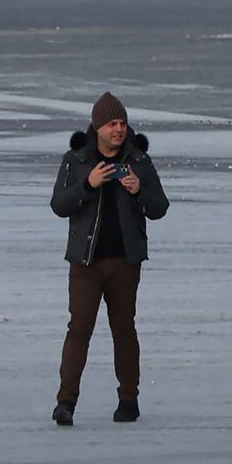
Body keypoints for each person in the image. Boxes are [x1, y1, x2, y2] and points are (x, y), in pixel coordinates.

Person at [50, 92, 169, 426]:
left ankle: (128, 398)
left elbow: (159, 207)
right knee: (79, 329)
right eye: (111, 124)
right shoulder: (76, 160)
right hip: (85, 262)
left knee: (124, 329)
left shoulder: (139, 162)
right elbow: (59, 205)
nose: (118, 129)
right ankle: (65, 402)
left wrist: (137, 191)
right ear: (97, 126)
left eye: (122, 123)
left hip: (125, 261)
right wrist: (87, 185)